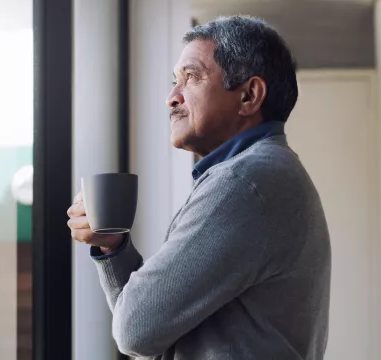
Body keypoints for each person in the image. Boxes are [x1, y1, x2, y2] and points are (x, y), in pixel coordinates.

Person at [67, 15, 331, 360]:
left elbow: (135, 331)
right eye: (174, 81)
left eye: (191, 77)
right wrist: (112, 247)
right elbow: (146, 329)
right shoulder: (268, 172)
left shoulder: (245, 182)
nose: (171, 98)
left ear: (249, 95)